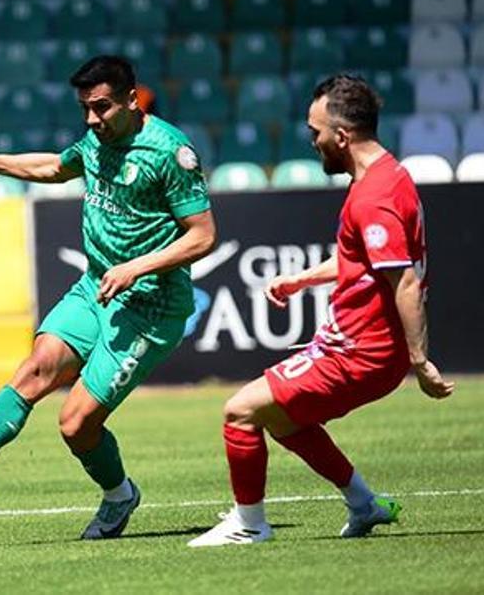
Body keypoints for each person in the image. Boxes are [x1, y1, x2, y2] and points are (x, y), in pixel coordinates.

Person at [0, 56, 217, 539]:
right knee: (34, 369)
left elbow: (202, 236)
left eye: (101, 108)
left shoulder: (169, 152)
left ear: (132, 99)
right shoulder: (96, 141)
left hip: (150, 306)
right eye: (85, 109)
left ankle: (120, 495)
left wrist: (135, 266)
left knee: (75, 425)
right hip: (96, 287)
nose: (92, 120)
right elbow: (56, 166)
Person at [188, 74, 454, 548]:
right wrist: (300, 279)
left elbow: (405, 281)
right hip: (356, 347)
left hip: (359, 353)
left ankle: (249, 524)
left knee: (240, 412)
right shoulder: (388, 176)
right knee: (284, 419)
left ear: (342, 136)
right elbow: (363, 262)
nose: (312, 142)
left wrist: (420, 362)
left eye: (315, 132)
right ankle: (363, 503)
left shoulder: (374, 198)